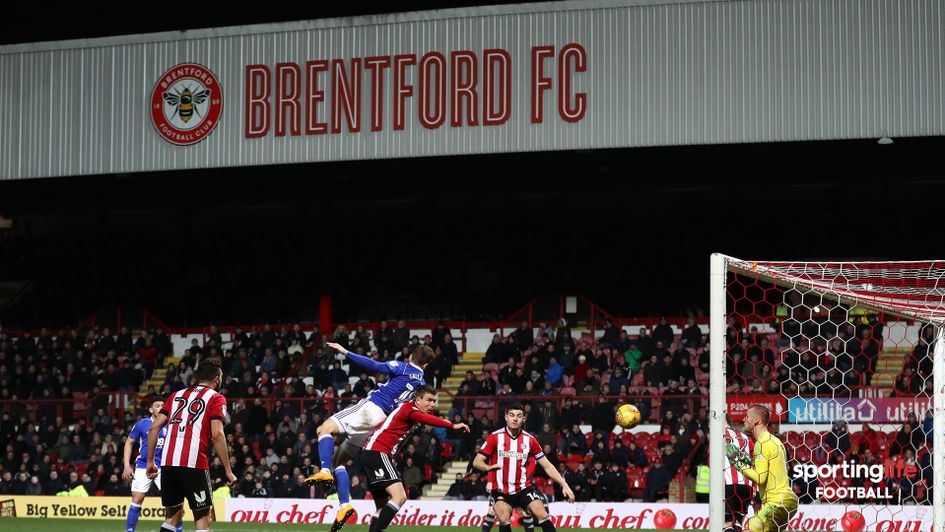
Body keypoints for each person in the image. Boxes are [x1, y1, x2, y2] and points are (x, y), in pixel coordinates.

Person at [306, 342, 434, 530]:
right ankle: (344, 506)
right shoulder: (422, 385)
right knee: (338, 462)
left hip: (371, 408)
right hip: (379, 422)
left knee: (323, 430)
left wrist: (346, 352)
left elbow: (374, 366)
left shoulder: (403, 367)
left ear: (411, 357)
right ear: (426, 365)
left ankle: (324, 473)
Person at [358, 385, 469, 532]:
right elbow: (426, 418)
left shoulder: (407, 408)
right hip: (377, 452)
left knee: (382, 506)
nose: (432, 404)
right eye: (428, 400)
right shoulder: (410, 409)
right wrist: (452, 425)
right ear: (417, 400)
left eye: (434, 401)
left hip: (371, 453)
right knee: (400, 497)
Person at [146, 359, 237, 532]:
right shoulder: (216, 398)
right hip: (193, 463)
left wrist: (151, 461)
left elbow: (153, 428)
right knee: (202, 517)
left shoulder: (175, 395)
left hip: (168, 463)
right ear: (217, 379)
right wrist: (228, 470)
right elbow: (217, 434)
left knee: (172, 516)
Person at [473, 403, 575, 532]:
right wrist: (488, 468)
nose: (515, 419)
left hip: (523, 489)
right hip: (501, 491)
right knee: (504, 518)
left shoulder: (530, 440)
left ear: (524, 419)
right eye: (511, 415)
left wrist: (564, 485)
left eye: (518, 416)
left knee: (542, 515)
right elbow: (477, 462)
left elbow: (547, 465)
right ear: (506, 417)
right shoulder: (495, 437)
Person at [725, 405, 797, 532]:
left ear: (756, 421)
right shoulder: (775, 441)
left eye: (747, 417)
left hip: (776, 502)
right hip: (788, 501)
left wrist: (736, 463)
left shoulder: (761, 443)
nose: (743, 419)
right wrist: (745, 458)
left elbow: (760, 477)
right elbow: (770, 467)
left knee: (749, 529)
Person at [122, 399, 181, 532]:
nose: (160, 407)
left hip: (165, 467)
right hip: (143, 466)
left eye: (162, 405)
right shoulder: (142, 424)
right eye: (157, 405)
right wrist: (127, 465)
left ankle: (178, 529)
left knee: (174, 503)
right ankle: (130, 530)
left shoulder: (171, 424)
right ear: (151, 410)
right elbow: (129, 442)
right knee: (136, 499)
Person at [723, 416, 755, 532]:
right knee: (738, 522)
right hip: (747, 485)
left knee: (727, 523)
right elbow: (753, 460)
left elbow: (711, 461)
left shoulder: (718, 437)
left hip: (729, 485)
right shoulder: (745, 437)